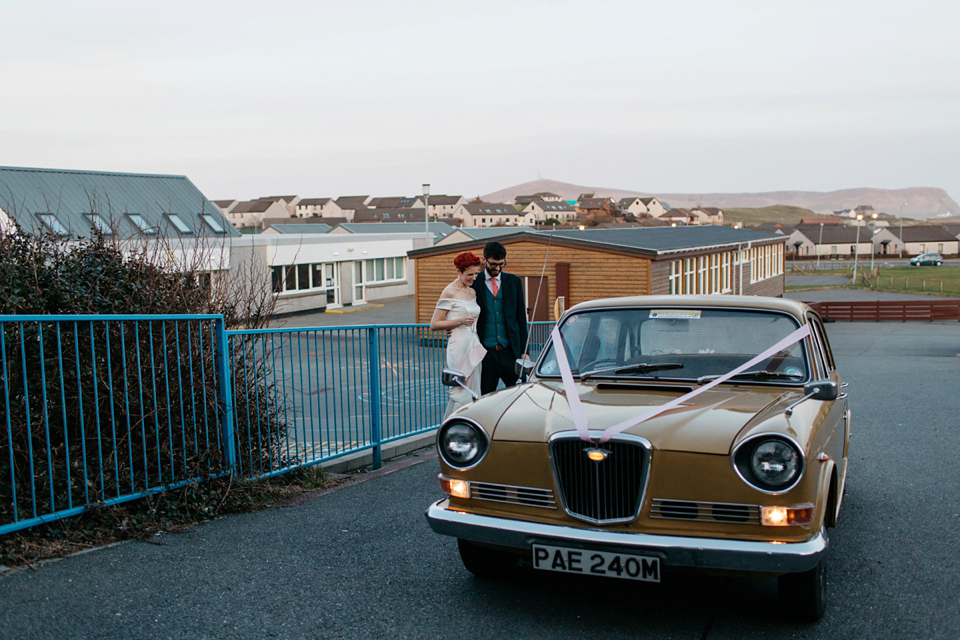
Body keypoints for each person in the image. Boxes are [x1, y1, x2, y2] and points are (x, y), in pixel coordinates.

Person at [430, 251, 487, 417]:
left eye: (476, 274)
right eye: (469, 274)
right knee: (461, 392)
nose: (474, 277)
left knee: (474, 390)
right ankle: (457, 430)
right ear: (458, 272)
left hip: (473, 343)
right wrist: (459, 321)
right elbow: (434, 324)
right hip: (459, 346)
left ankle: (457, 428)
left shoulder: (472, 292)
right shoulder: (449, 292)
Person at [471, 241, 529, 395]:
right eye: (493, 264)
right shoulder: (474, 283)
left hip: (510, 352)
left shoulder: (514, 282)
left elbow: (521, 318)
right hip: (485, 354)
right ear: (484, 260)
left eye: (501, 264)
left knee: (519, 396)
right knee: (484, 399)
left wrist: (525, 351)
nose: (497, 268)